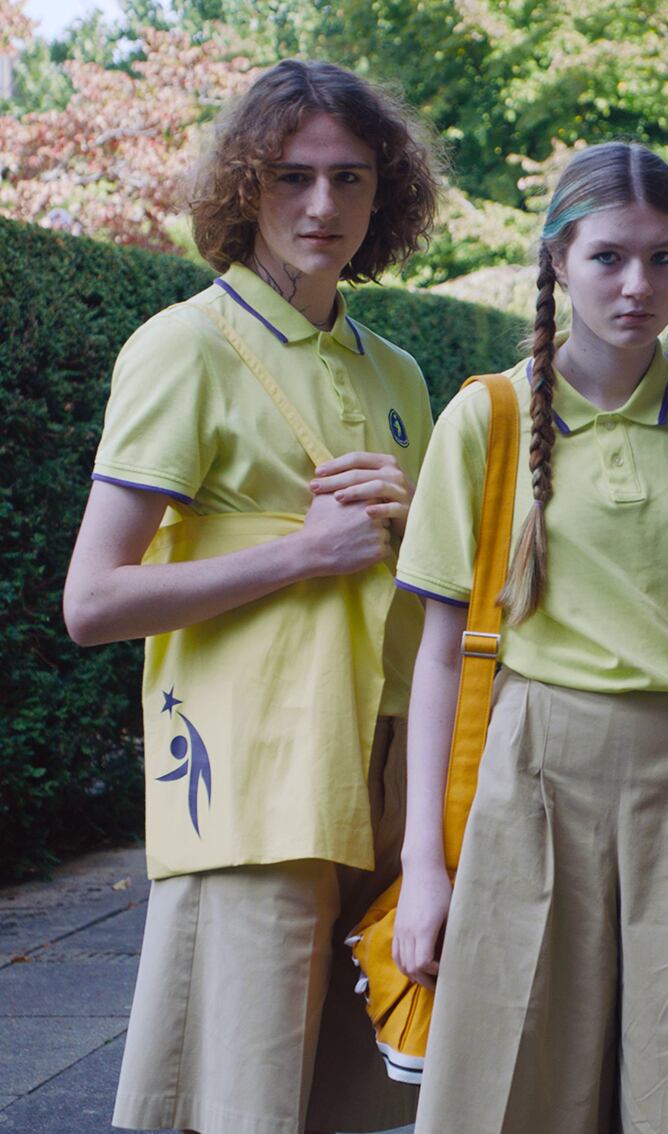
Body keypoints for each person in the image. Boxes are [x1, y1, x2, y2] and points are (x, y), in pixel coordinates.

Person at [391, 140, 668, 1134]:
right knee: (516, 1076)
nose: (639, 285)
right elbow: (441, 655)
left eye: (665, 258)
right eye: (610, 258)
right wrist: (423, 865)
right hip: (533, 771)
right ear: (557, 261)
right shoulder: (486, 420)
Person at [61, 59, 444, 1134]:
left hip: (385, 776)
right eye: (291, 177)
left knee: (360, 1097)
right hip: (249, 784)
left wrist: (416, 519)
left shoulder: (399, 373)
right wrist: (299, 554)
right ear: (242, 188)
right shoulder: (184, 348)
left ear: (388, 194)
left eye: (352, 179)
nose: (323, 206)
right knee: (239, 1098)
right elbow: (92, 601)